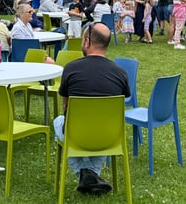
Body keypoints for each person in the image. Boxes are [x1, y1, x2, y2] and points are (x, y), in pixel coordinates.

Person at [53, 22, 129, 196]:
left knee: (59, 121)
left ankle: (85, 174)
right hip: (110, 136)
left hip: (76, 135)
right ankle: (91, 175)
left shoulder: (71, 69)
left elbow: (66, 106)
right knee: (100, 125)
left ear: (87, 42)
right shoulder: (120, 73)